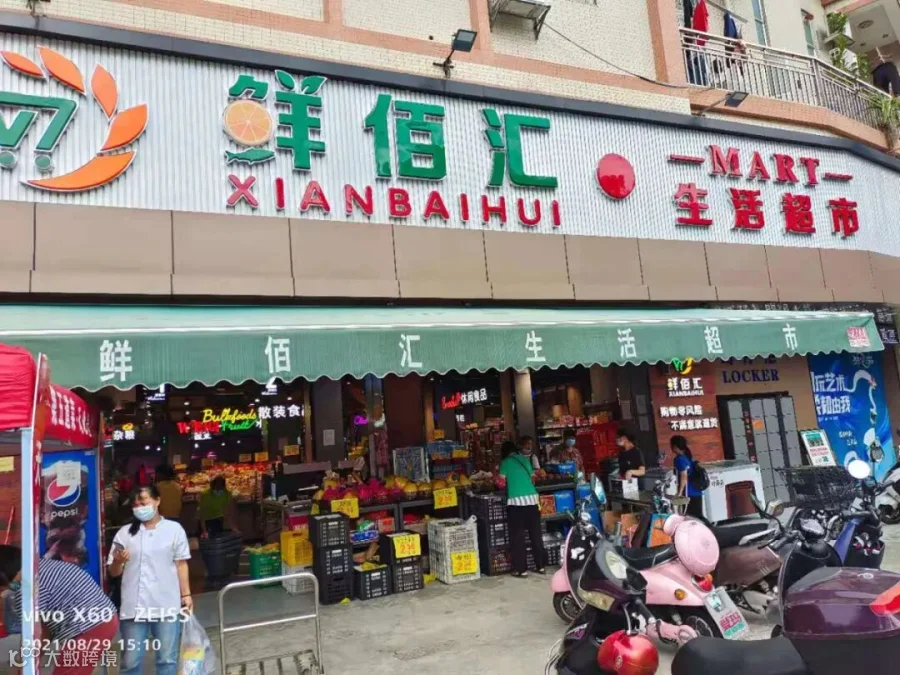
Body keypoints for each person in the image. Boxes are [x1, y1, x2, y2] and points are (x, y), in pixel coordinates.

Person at [108, 485, 192, 675]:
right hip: (134, 607)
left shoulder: (174, 530)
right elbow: (113, 572)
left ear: (157, 501)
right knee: (130, 662)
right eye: (135, 505)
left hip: (166, 605)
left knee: (167, 659)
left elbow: (181, 564)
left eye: (144, 502)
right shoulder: (124, 533)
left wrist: (186, 595)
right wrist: (118, 562)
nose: (140, 508)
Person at [1, 545, 118, 675]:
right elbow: (43, 630)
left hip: (89, 626)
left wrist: (25, 663)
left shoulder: (26, 591)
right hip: (104, 619)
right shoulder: (42, 566)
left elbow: (33, 635)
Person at [499, 441, 546, 578]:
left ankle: (521, 570)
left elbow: (500, 484)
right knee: (536, 535)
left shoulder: (505, 462)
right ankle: (541, 566)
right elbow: (533, 479)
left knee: (518, 537)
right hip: (532, 501)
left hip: (516, 503)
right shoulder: (525, 460)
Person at [671, 435, 704, 518]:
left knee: (692, 516)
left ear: (675, 446)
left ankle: (708, 526)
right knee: (696, 516)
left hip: (688, 493)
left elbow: (684, 476)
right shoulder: (687, 456)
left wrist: (679, 492)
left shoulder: (679, 459)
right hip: (696, 490)